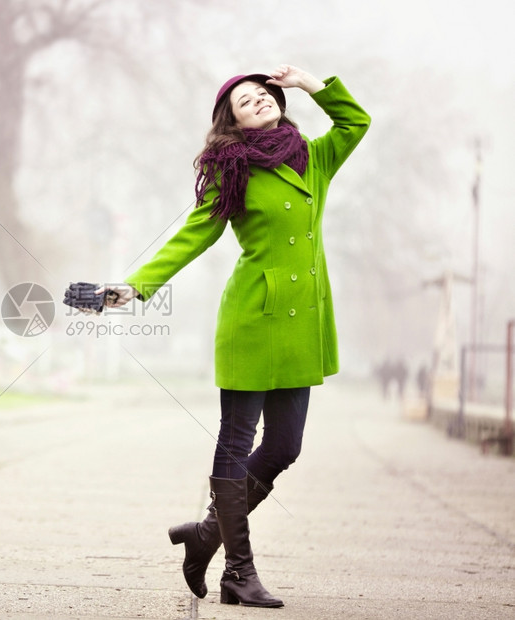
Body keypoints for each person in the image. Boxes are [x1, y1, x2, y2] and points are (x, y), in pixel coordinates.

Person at [97, 64, 370, 607]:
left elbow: (355, 121)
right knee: (236, 443)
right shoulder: (232, 169)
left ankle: (204, 536)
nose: (258, 101)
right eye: (244, 102)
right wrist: (135, 286)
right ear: (234, 122)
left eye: (263, 94)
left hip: (303, 323)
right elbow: (197, 232)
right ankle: (237, 573)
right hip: (252, 317)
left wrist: (310, 82)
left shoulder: (312, 158)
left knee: (285, 447)